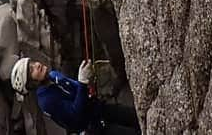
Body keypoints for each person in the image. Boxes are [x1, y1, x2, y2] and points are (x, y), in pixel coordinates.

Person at [10, 56, 141, 134]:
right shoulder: (46, 101)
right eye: (31, 69)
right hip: (96, 128)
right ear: (31, 84)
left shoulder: (54, 75)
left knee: (137, 116)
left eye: (33, 63)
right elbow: (75, 115)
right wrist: (83, 83)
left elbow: (78, 89)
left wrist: (86, 82)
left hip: (100, 108)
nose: (37, 65)